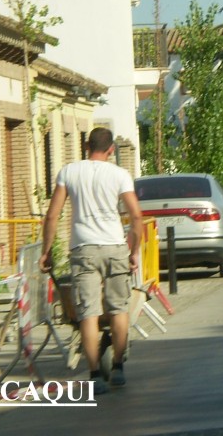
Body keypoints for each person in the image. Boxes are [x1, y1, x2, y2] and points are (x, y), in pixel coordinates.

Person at [39, 127, 144, 394]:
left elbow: (52, 215)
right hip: (114, 247)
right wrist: (133, 251)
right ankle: (118, 368)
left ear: (87, 146)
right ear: (111, 149)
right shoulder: (120, 175)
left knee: (88, 313)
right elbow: (136, 217)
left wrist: (46, 251)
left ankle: (96, 374)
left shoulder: (69, 172)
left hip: (83, 249)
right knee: (118, 308)